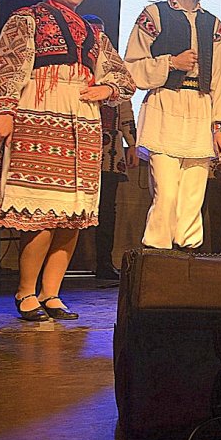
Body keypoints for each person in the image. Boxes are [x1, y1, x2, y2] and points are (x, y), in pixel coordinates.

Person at [0, 0, 135, 320]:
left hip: (82, 120)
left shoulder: (94, 33)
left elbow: (124, 79)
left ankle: (52, 292)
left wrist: (105, 89)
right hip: (39, 111)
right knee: (41, 211)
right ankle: (25, 291)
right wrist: (6, 110)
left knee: (72, 213)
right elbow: (9, 66)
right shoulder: (27, 18)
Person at [124, 0, 221, 250]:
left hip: (200, 106)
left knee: (193, 195)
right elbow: (131, 67)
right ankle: (157, 255)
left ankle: (187, 255)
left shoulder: (213, 24)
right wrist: (170, 63)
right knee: (167, 193)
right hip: (165, 103)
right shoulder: (154, 14)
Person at [83, 15, 139, 280]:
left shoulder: (113, 71)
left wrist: (132, 143)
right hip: (82, 144)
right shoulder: (79, 67)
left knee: (107, 208)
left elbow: (125, 107)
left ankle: (104, 262)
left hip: (109, 151)